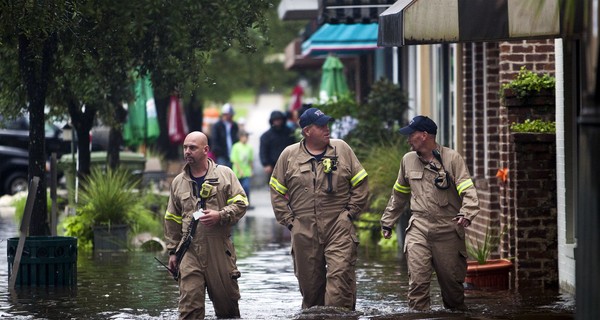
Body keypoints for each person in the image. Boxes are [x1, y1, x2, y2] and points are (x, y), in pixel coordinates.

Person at [269, 107, 369, 310]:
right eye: (321, 125)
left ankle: (338, 313)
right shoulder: (289, 155)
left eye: (327, 124)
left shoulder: (342, 149)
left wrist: (349, 214)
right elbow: (277, 192)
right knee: (311, 293)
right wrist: (290, 222)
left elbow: (361, 184)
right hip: (303, 230)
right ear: (307, 131)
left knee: (339, 285)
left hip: (339, 226)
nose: (327, 128)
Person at [380, 115, 479, 311]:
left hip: (448, 230)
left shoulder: (452, 159)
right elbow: (399, 194)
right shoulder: (407, 160)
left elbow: (468, 191)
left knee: (453, 294)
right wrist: (388, 221)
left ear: (424, 135)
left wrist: (467, 213)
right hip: (418, 228)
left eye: (411, 135)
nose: (408, 139)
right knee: (417, 285)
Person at [164, 131, 248, 319]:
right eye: (185, 147)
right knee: (189, 310)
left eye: (192, 147)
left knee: (228, 311)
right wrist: (172, 251)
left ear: (206, 150)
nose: (187, 151)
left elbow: (242, 203)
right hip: (189, 251)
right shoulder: (178, 182)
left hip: (219, 249)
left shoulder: (225, 174)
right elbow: (172, 219)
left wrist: (221, 215)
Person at [259, 110, 296, 179]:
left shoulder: (290, 133)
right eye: (275, 120)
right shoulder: (266, 136)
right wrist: (266, 164)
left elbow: (295, 147)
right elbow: (263, 151)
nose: (277, 121)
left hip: (289, 165)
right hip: (273, 166)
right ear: (272, 121)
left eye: (279, 119)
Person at [211, 103, 239, 168]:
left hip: (233, 155)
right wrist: (219, 152)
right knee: (222, 173)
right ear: (225, 114)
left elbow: (236, 138)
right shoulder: (217, 126)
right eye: (230, 115)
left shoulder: (234, 125)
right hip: (221, 156)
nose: (232, 117)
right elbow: (214, 141)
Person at [230, 130, 253, 205]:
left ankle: (247, 202)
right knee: (237, 189)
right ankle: (239, 203)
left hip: (246, 171)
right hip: (237, 172)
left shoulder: (249, 147)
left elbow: (250, 160)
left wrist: (251, 170)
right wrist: (239, 170)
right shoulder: (236, 146)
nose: (246, 138)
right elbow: (234, 160)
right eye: (244, 136)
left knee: (246, 187)